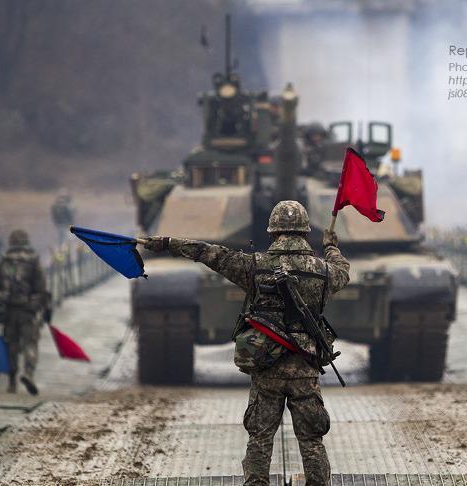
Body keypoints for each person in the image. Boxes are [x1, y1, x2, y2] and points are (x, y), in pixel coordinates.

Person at [145, 200, 349, 486]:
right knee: (312, 439)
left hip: (266, 364)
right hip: (305, 366)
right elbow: (343, 271)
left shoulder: (254, 266)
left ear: (272, 232)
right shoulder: (323, 271)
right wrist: (331, 247)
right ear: (305, 231)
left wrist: (168, 243)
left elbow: (209, 253)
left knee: (260, 437)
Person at [0, 229, 50, 395]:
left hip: (7, 310)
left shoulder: (4, 260)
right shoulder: (33, 260)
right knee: (31, 343)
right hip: (28, 311)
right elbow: (41, 287)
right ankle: (28, 373)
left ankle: (12, 382)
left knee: (11, 345)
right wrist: (45, 308)